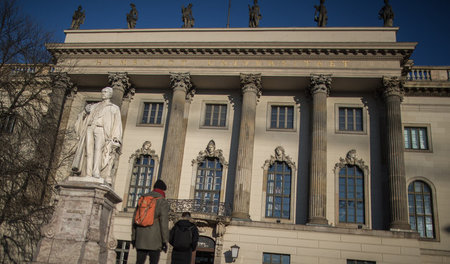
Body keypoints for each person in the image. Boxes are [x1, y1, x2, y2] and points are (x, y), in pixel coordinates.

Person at [71, 87, 122, 185]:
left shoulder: (114, 108)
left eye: (106, 92)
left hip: (101, 129)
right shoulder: (94, 106)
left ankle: (96, 172)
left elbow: (117, 123)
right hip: (90, 127)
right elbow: (82, 116)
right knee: (88, 151)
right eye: (102, 92)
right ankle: (88, 173)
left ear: (110, 94)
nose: (103, 93)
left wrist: (116, 138)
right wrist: (85, 111)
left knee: (98, 149)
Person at [132, 180, 169, 264]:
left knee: (139, 262)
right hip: (155, 239)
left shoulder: (143, 198)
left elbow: (135, 219)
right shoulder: (162, 201)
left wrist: (134, 237)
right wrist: (165, 240)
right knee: (153, 262)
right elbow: (164, 222)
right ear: (163, 190)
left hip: (140, 237)